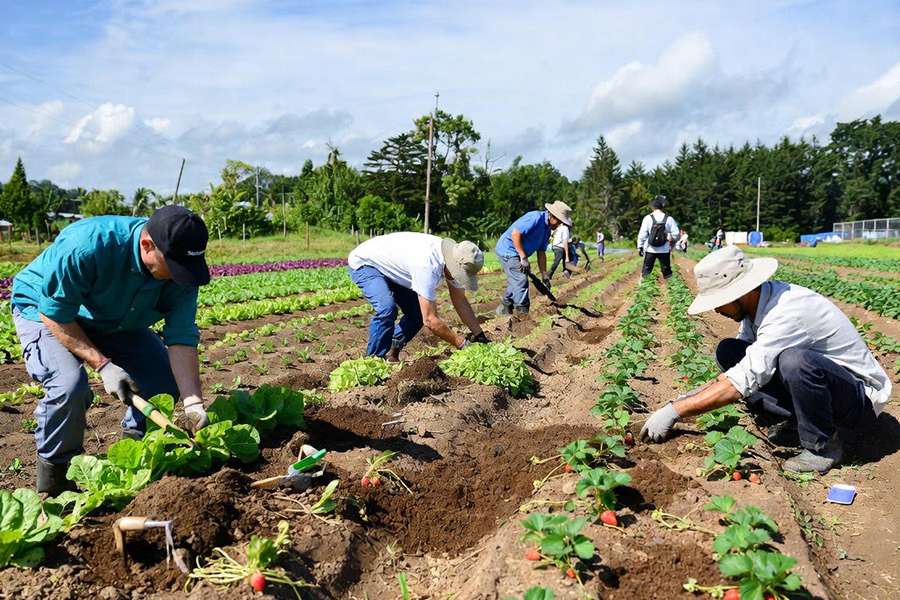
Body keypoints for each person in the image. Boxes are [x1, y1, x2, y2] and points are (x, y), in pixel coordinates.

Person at [11, 206, 212, 495]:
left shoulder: (183, 272)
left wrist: (193, 403)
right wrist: (103, 365)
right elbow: (55, 313)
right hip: (46, 310)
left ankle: (138, 455)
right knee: (68, 386)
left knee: (162, 381)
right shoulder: (88, 245)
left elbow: (180, 337)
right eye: (174, 268)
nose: (179, 278)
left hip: (116, 317)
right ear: (147, 246)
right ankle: (55, 483)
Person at [639, 246, 891, 474]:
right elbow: (742, 367)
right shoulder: (756, 305)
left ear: (742, 292)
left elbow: (742, 382)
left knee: (795, 361)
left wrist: (676, 412)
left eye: (719, 302)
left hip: (858, 401)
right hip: (827, 390)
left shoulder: (786, 312)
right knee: (730, 351)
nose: (716, 310)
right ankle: (798, 420)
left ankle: (822, 446)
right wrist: (683, 399)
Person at [348, 232, 487, 362]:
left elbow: (460, 300)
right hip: (366, 263)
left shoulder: (453, 259)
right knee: (387, 308)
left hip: (395, 268)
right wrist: (461, 343)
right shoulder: (427, 265)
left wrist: (479, 334)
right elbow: (430, 320)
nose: (459, 278)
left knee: (416, 314)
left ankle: (392, 349)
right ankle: (372, 361)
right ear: (452, 265)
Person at [494, 201, 573, 315]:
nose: (558, 224)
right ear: (552, 215)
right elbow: (515, 234)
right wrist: (523, 257)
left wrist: (544, 275)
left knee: (516, 279)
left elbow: (541, 252)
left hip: (518, 253)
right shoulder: (535, 218)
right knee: (521, 279)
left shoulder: (547, 230)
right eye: (559, 221)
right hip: (508, 249)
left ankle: (505, 306)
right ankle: (523, 314)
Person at [637, 195, 679, 279]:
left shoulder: (647, 218)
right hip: (664, 249)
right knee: (667, 271)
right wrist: (669, 237)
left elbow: (642, 234)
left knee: (646, 271)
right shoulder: (669, 218)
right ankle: (671, 287)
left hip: (650, 249)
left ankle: (644, 288)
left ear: (652, 207)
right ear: (662, 207)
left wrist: (640, 246)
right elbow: (676, 234)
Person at [546, 216, 571, 280]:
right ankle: (549, 275)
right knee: (557, 261)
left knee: (563, 258)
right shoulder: (565, 228)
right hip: (559, 247)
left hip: (555, 246)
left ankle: (566, 272)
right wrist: (567, 255)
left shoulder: (559, 227)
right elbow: (565, 241)